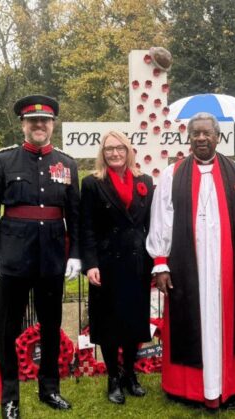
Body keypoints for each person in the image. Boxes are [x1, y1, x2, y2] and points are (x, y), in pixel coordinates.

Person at [146, 112, 235, 410]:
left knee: (228, 321)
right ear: (188, 136)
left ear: (218, 136)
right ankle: (189, 387)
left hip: (227, 265)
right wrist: (161, 262)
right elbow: (162, 220)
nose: (200, 138)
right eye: (195, 133)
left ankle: (229, 386)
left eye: (206, 133)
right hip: (186, 264)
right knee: (188, 321)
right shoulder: (173, 174)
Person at [0, 95, 81, 418]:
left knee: (51, 324)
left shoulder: (66, 163)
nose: (39, 126)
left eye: (45, 121)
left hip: (51, 256)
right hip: (12, 257)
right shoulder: (4, 161)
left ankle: (49, 387)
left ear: (52, 125)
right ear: (23, 125)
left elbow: (74, 216)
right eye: (33, 121)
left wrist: (75, 254)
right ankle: (10, 396)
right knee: (8, 327)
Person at [79, 131, 154, 404]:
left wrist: (156, 262)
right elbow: (85, 227)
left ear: (128, 150)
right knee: (109, 322)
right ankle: (113, 376)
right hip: (106, 262)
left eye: (119, 148)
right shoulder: (91, 184)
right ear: (102, 153)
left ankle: (130, 374)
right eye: (109, 149)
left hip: (137, 261)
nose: (114, 153)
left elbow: (153, 225)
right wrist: (90, 264)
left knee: (134, 319)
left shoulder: (145, 181)